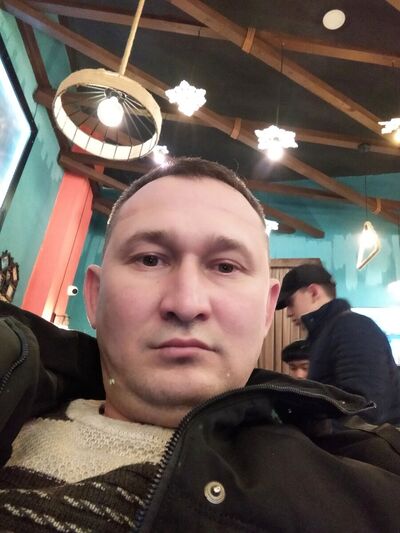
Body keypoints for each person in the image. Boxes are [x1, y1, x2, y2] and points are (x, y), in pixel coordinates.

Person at [2, 158, 400, 532]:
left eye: (226, 267)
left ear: (266, 312)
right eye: (150, 260)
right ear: (94, 296)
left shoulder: (368, 493)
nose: (186, 303)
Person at [276, 262, 400, 425]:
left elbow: (365, 410)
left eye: (290, 302)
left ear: (313, 292)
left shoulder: (352, 327)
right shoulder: (327, 334)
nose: (288, 313)